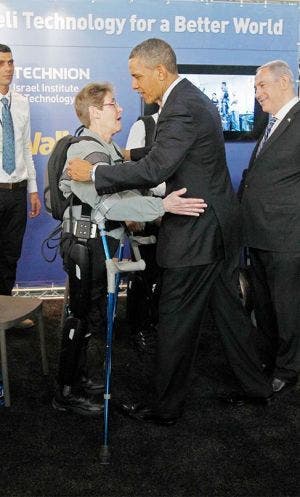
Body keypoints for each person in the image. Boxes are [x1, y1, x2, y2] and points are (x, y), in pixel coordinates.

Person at [67, 38, 274, 425]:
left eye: (137, 75)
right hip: (217, 226)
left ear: (160, 71)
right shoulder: (188, 100)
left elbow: (157, 169)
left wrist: (94, 173)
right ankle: (257, 388)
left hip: (197, 231)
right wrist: (127, 155)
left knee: (175, 317)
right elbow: (167, 154)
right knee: (229, 314)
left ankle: (165, 409)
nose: (133, 85)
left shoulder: (181, 108)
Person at [53, 81, 206, 416]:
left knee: (90, 313)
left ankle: (77, 379)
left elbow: (121, 195)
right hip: (85, 243)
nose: (120, 109)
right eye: (113, 104)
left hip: (99, 243)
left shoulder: (107, 151)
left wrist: (150, 205)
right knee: (79, 315)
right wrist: (161, 207)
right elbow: (109, 207)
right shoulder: (85, 152)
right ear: (95, 112)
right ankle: (66, 391)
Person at [239, 60, 300, 394]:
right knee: (264, 306)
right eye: (256, 87)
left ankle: (289, 370)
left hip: (287, 237)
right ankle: (272, 359)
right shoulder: (273, 122)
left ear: (284, 82)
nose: (257, 93)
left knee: (287, 307)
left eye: (262, 85)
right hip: (260, 234)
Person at [0, 44, 41, 327]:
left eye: (11, 62)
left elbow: (26, 148)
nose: (8, 69)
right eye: (2, 63)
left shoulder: (22, 102)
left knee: (9, 255)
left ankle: (5, 313)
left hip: (17, 191)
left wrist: (33, 189)